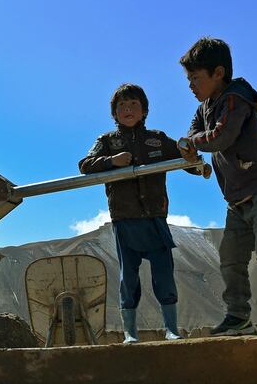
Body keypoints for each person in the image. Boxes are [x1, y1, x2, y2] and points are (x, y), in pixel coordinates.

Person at [177, 37, 257, 336]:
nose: (190, 85)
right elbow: (194, 132)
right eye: (189, 79)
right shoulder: (205, 108)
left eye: (196, 77)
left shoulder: (236, 99)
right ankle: (238, 317)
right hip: (236, 200)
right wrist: (191, 142)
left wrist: (190, 144)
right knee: (230, 259)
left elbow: (220, 138)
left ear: (218, 73)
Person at [79, 83, 210, 343]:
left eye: (133, 105)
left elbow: (184, 158)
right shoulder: (107, 141)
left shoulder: (158, 138)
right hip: (124, 219)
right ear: (114, 113)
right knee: (129, 276)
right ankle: (130, 332)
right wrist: (111, 161)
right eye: (121, 106)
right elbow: (84, 165)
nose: (127, 110)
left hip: (154, 217)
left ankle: (171, 329)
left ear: (144, 110)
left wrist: (199, 167)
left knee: (164, 272)